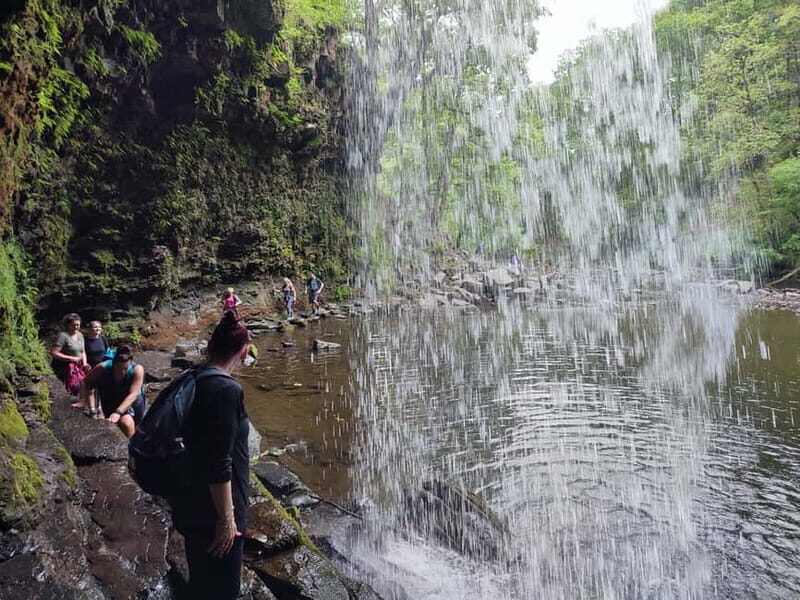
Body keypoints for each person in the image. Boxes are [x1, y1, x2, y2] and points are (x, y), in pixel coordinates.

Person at [167, 311, 250, 599]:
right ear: (245, 351)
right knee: (224, 590)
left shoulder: (193, 377)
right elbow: (220, 462)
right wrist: (227, 521)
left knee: (202, 580)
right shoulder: (226, 389)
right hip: (214, 512)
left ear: (209, 347)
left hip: (190, 499)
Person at [79, 344, 145, 437]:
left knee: (129, 424)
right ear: (113, 363)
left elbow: (133, 394)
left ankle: (133, 446)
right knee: (115, 422)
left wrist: (118, 412)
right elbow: (86, 382)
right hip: (111, 396)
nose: (123, 372)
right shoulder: (102, 367)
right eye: (119, 368)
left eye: (125, 369)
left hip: (132, 400)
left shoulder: (137, 370)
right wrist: (83, 401)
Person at [51, 313, 90, 402]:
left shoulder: (80, 335)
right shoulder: (63, 336)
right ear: (68, 325)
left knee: (80, 385)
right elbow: (54, 353)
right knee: (67, 389)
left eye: (78, 325)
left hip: (77, 367)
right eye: (74, 325)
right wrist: (71, 358)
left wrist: (84, 363)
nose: (76, 327)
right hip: (63, 368)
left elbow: (82, 351)